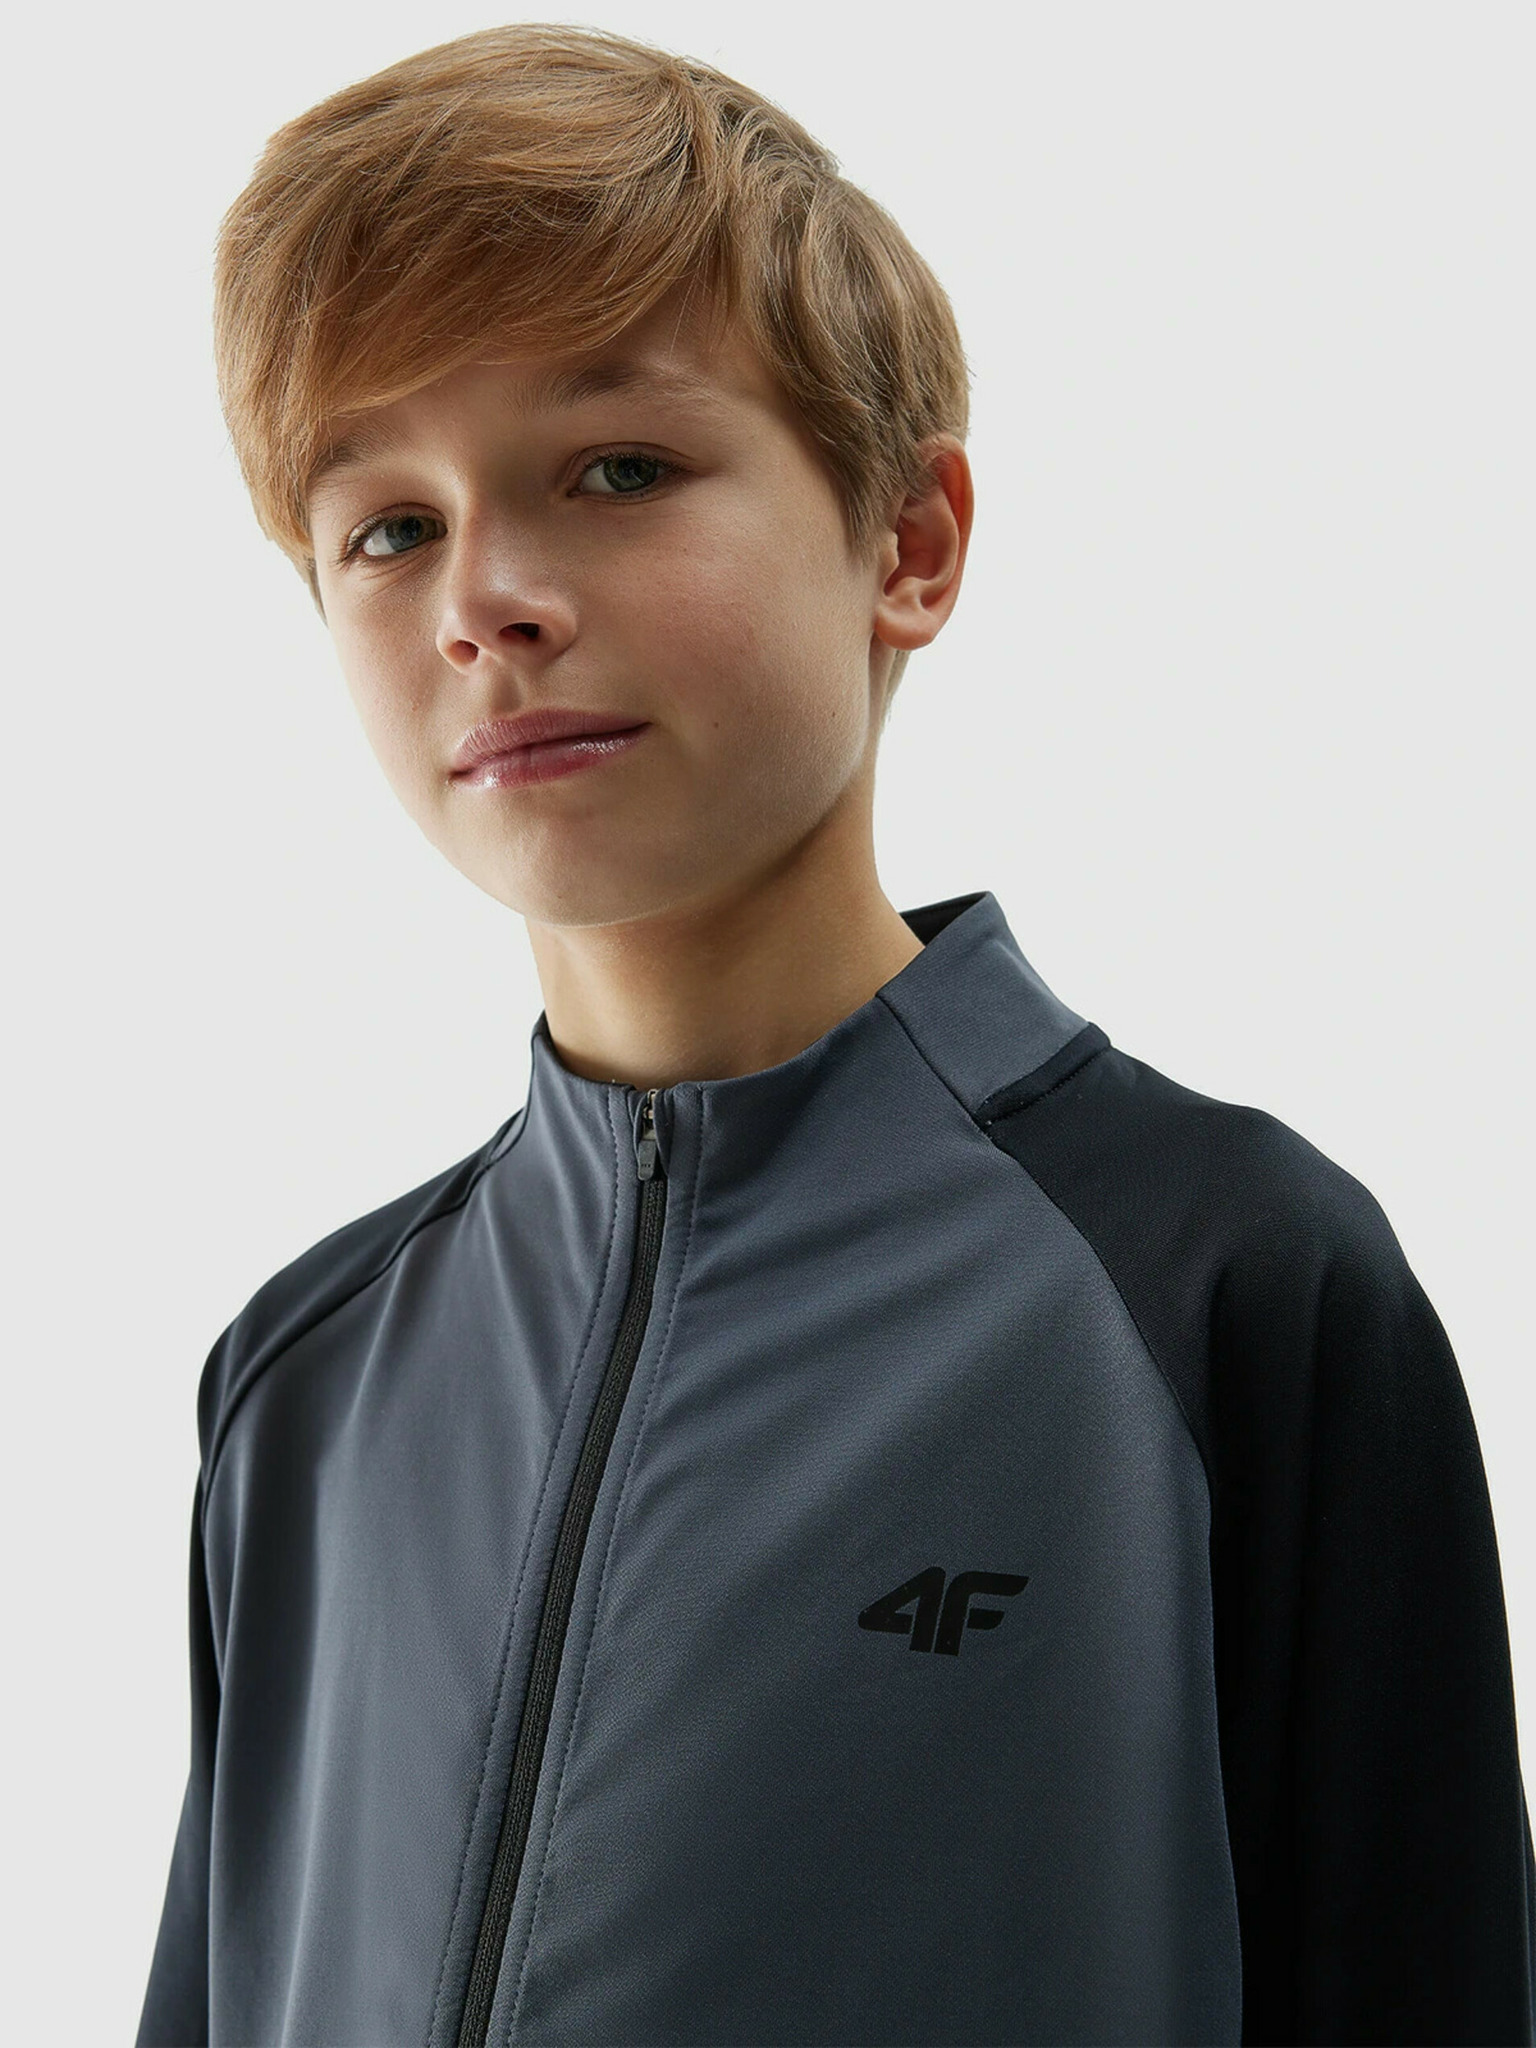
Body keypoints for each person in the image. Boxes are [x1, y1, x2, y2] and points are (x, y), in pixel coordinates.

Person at [135, 23, 1535, 2047]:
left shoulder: (1219, 1286)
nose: (485, 600)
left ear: (910, 541)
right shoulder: (306, 1383)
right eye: (388, 527)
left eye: (618, 469)